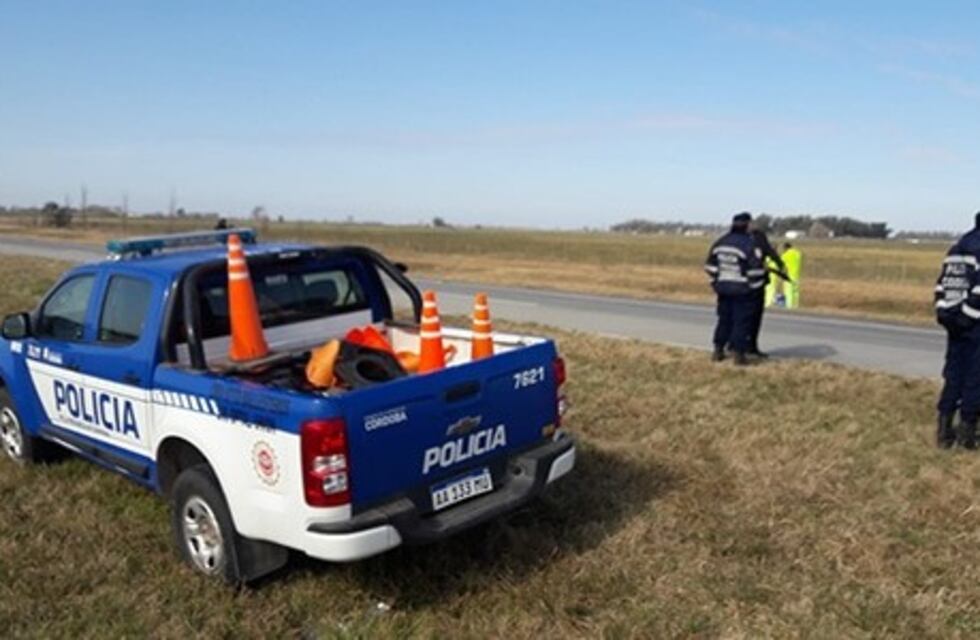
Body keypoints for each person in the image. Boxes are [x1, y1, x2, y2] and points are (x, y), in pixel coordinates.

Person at [934, 212, 980, 449]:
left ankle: (944, 430)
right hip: (974, 324)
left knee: (953, 375)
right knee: (975, 377)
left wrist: (944, 313)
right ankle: (967, 433)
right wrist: (968, 315)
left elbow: (941, 285)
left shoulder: (956, 248)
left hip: (953, 323)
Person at [704, 212, 766, 366]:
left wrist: (716, 283)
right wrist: (755, 286)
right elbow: (755, 270)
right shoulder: (749, 244)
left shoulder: (720, 242)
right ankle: (739, 354)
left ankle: (718, 349)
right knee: (741, 321)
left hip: (723, 289)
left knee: (724, 319)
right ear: (747, 225)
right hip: (742, 290)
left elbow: (710, 267)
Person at [747, 225, 788, 358]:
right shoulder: (760, 239)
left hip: (740, 284)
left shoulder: (741, 240)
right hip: (757, 284)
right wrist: (781, 265)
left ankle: (735, 345)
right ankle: (751, 346)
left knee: (739, 316)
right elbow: (772, 254)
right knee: (754, 317)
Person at [781, 242, 803, 308]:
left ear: (786, 248)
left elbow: (782, 266)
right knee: (796, 292)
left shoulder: (785, 255)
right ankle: (795, 306)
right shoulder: (798, 253)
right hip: (796, 275)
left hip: (789, 276)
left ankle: (789, 306)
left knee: (789, 292)